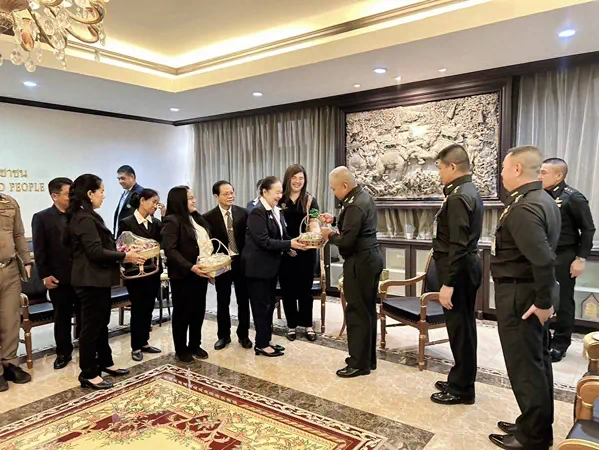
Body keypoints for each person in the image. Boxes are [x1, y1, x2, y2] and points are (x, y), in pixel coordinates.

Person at [489, 146, 560, 450]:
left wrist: (543, 302)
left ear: (517, 169)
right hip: (527, 290)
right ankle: (534, 424)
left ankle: (533, 437)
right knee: (536, 362)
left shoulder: (524, 207)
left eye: (504, 168)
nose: (501, 173)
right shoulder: (541, 199)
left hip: (521, 294)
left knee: (525, 366)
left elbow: (543, 260)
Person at [66, 174, 145, 390]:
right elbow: (94, 251)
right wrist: (125, 256)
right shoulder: (83, 218)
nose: (104, 196)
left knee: (101, 324)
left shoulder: (88, 215)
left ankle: (105, 363)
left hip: (97, 279)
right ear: (90, 194)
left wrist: (121, 249)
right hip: (89, 280)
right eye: (101, 191)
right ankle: (88, 373)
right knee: (91, 327)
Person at [430, 145, 483, 406]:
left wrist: (448, 283)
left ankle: (462, 389)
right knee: (463, 328)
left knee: (461, 330)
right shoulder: (466, 190)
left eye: (440, 168)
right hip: (464, 267)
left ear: (452, 166)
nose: (439, 173)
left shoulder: (459, 197)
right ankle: (460, 378)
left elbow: (458, 245)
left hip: (458, 272)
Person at [321, 167, 383, 378]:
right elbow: (356, 226)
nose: (333, 192)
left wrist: (330, 235)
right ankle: (368, 359)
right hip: (370, 258)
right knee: (367, 311)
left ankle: (358, 363)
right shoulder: (362, 196)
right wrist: (335, 221)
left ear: (345, 185)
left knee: (357, 312)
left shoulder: (354, 204)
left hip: (360, 261)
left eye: (334, 189)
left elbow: (347, 241)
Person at [242, 176, 306, 357]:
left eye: (281, 192)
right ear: (264, 192)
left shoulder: (275, 211)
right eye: (276, 192)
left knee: (269, 305)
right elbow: (264, 241)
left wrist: (292, 245)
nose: (280, 196)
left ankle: (265, 340)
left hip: (270, 268)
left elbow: (282, 236)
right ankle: (261, 345)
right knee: (261, 307)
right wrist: (289, 244)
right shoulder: (257, 212)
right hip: (257, 269)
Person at [539, 158, 595, 363]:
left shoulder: (573, 198)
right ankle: (543, 339)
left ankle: (560, 343)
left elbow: (588, 229)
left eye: (544, 172)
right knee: (541, 297)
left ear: (558, 175)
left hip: (564, 255)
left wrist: (580, 258)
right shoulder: (540, 196)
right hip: (543, 255)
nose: (539, 176)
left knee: (563, 300)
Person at [32, 177, 81, 370]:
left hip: (81, 275)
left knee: (84, 315)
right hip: (58, 278)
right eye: (68, 194)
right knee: (62, 317)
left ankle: (86, 348)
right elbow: (40, 250)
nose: (72, 197)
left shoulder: (79, 215)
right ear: (54, 196)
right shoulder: (42, 217)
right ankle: (63, 353)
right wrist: (45, 275)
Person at [162, 186, 214, 363]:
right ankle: (181, 348)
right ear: (180, 201)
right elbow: (170, 250)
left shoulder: (197, 218)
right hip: (183, 275)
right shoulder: (172, 221)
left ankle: (195, 344)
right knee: (182, 313)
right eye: (190, 198)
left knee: (198, 311)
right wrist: (190, 267)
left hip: (200, 273)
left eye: (193, 197)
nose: (194, 201)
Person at [203, 181, 252, 350]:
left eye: (232, 192)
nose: (230, 196)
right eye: (226, 194)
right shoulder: (208, 217)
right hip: (222, 263)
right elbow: (207, 245)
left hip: (241, 261)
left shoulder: (243, 213)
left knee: (243, 300)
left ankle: (244, 335)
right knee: (222, 300)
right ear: (216, 196)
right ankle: (223, 336)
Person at [119, 188, 164, 362]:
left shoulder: (156, 223)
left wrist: (165, 216)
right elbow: (123, 245)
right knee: (138, 308)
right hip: (135, 272)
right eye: (153, 202)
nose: (155, 206)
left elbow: (163, 241)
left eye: (157, 203)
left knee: (149, 307)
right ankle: (136, 346)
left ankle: (144, 341)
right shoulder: (127, 222)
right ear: (142, 201)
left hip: (153, 270)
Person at [279, 164, 319, 342]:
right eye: (294, 178)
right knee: (288, 290)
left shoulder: (311, 200)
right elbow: (274, 226)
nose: (297, 181)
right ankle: (291, 325)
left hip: (306, 251)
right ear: (288, 179)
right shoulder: (279, 199)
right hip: (285, 250)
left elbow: (314, 221)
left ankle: (308, 325)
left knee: (305, 290)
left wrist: (314, 235)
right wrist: (287, 246)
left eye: (301, 178)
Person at [0, 193, 32, 392]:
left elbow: (18, 234)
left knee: (10, 320)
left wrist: (26, 260)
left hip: (10, 269)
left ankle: (9, 363)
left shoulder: (9, 202)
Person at [113, 165, 144, 237]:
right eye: (118, 179)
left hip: (133, 237)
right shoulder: (125, 192)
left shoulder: (140, 192)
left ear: (132, 177)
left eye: (123, 178)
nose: (120, 181)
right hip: (121, 235)